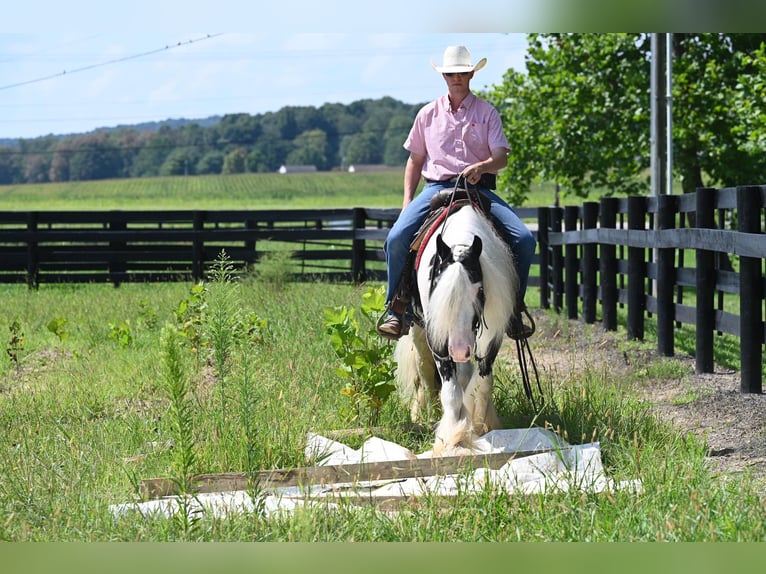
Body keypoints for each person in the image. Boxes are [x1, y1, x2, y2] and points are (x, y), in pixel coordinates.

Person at [376, 45, 536, 341]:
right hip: (436, 187)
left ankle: (513, 309)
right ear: (444, 75)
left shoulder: (487, 112)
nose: (456, 77)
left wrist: (484, 166)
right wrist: (407, 201)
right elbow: (415, 160)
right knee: (397, 238)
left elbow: (502, 157)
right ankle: (397, 309)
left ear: (471, 74)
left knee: (525, 240)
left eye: (462, 72)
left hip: (476, 188)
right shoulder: (427, 114)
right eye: (451, 73)